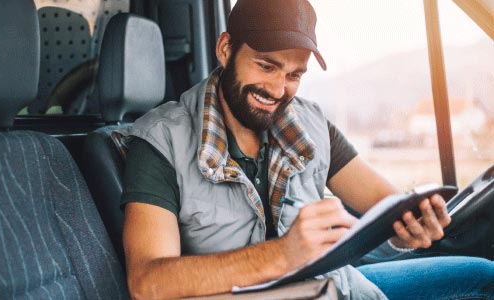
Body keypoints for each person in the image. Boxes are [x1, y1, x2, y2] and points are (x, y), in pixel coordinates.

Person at [114, 0, 494, 299]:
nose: (279, 90)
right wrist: (283, 254)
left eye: (294, 74)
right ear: (226, 49)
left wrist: (407, 229)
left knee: (483, 277)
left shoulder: (310, 125)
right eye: (266, 66)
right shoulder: (161, 142)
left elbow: (384, 203)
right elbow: (148, 282)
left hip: (338, 288)